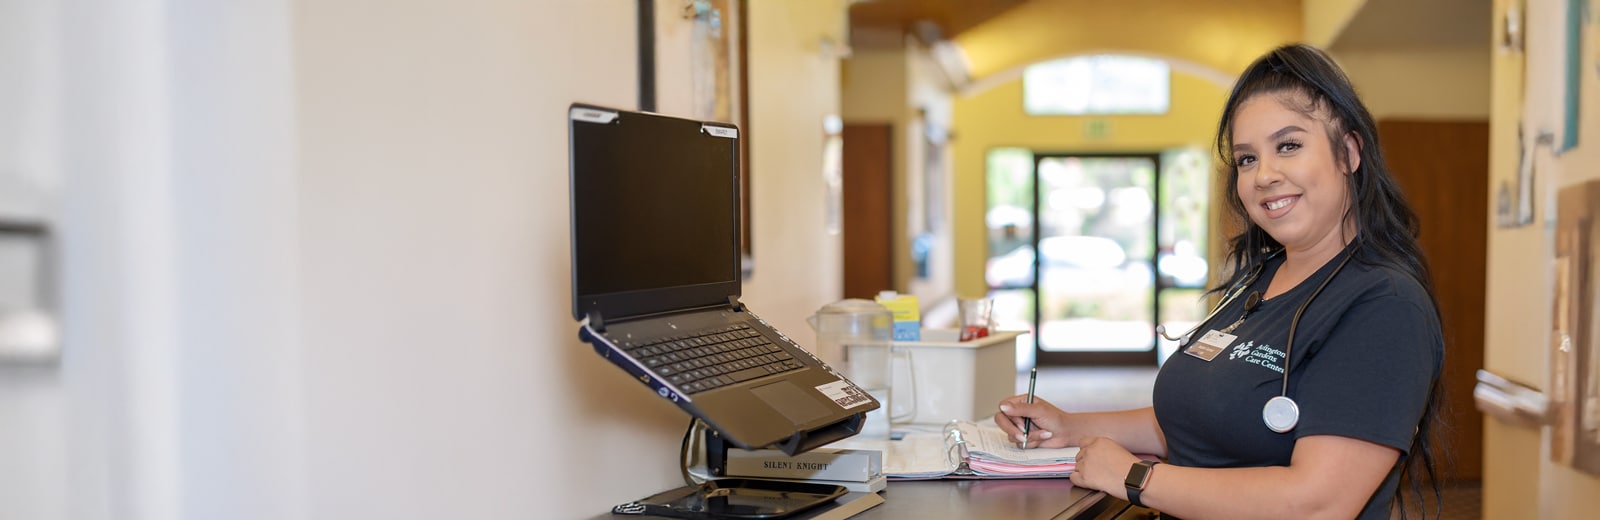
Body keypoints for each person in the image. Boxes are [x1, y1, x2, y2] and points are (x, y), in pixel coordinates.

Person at [994, 43, 1445, 520]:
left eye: (1288, 146)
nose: (1264, 175)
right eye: (1247, 159)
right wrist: (1068, 426)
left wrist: (1136, 478)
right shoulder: (1260, 279)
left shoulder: (1385, 306)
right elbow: (1206, 419)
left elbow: (1318, 504)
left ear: (1348, 153)